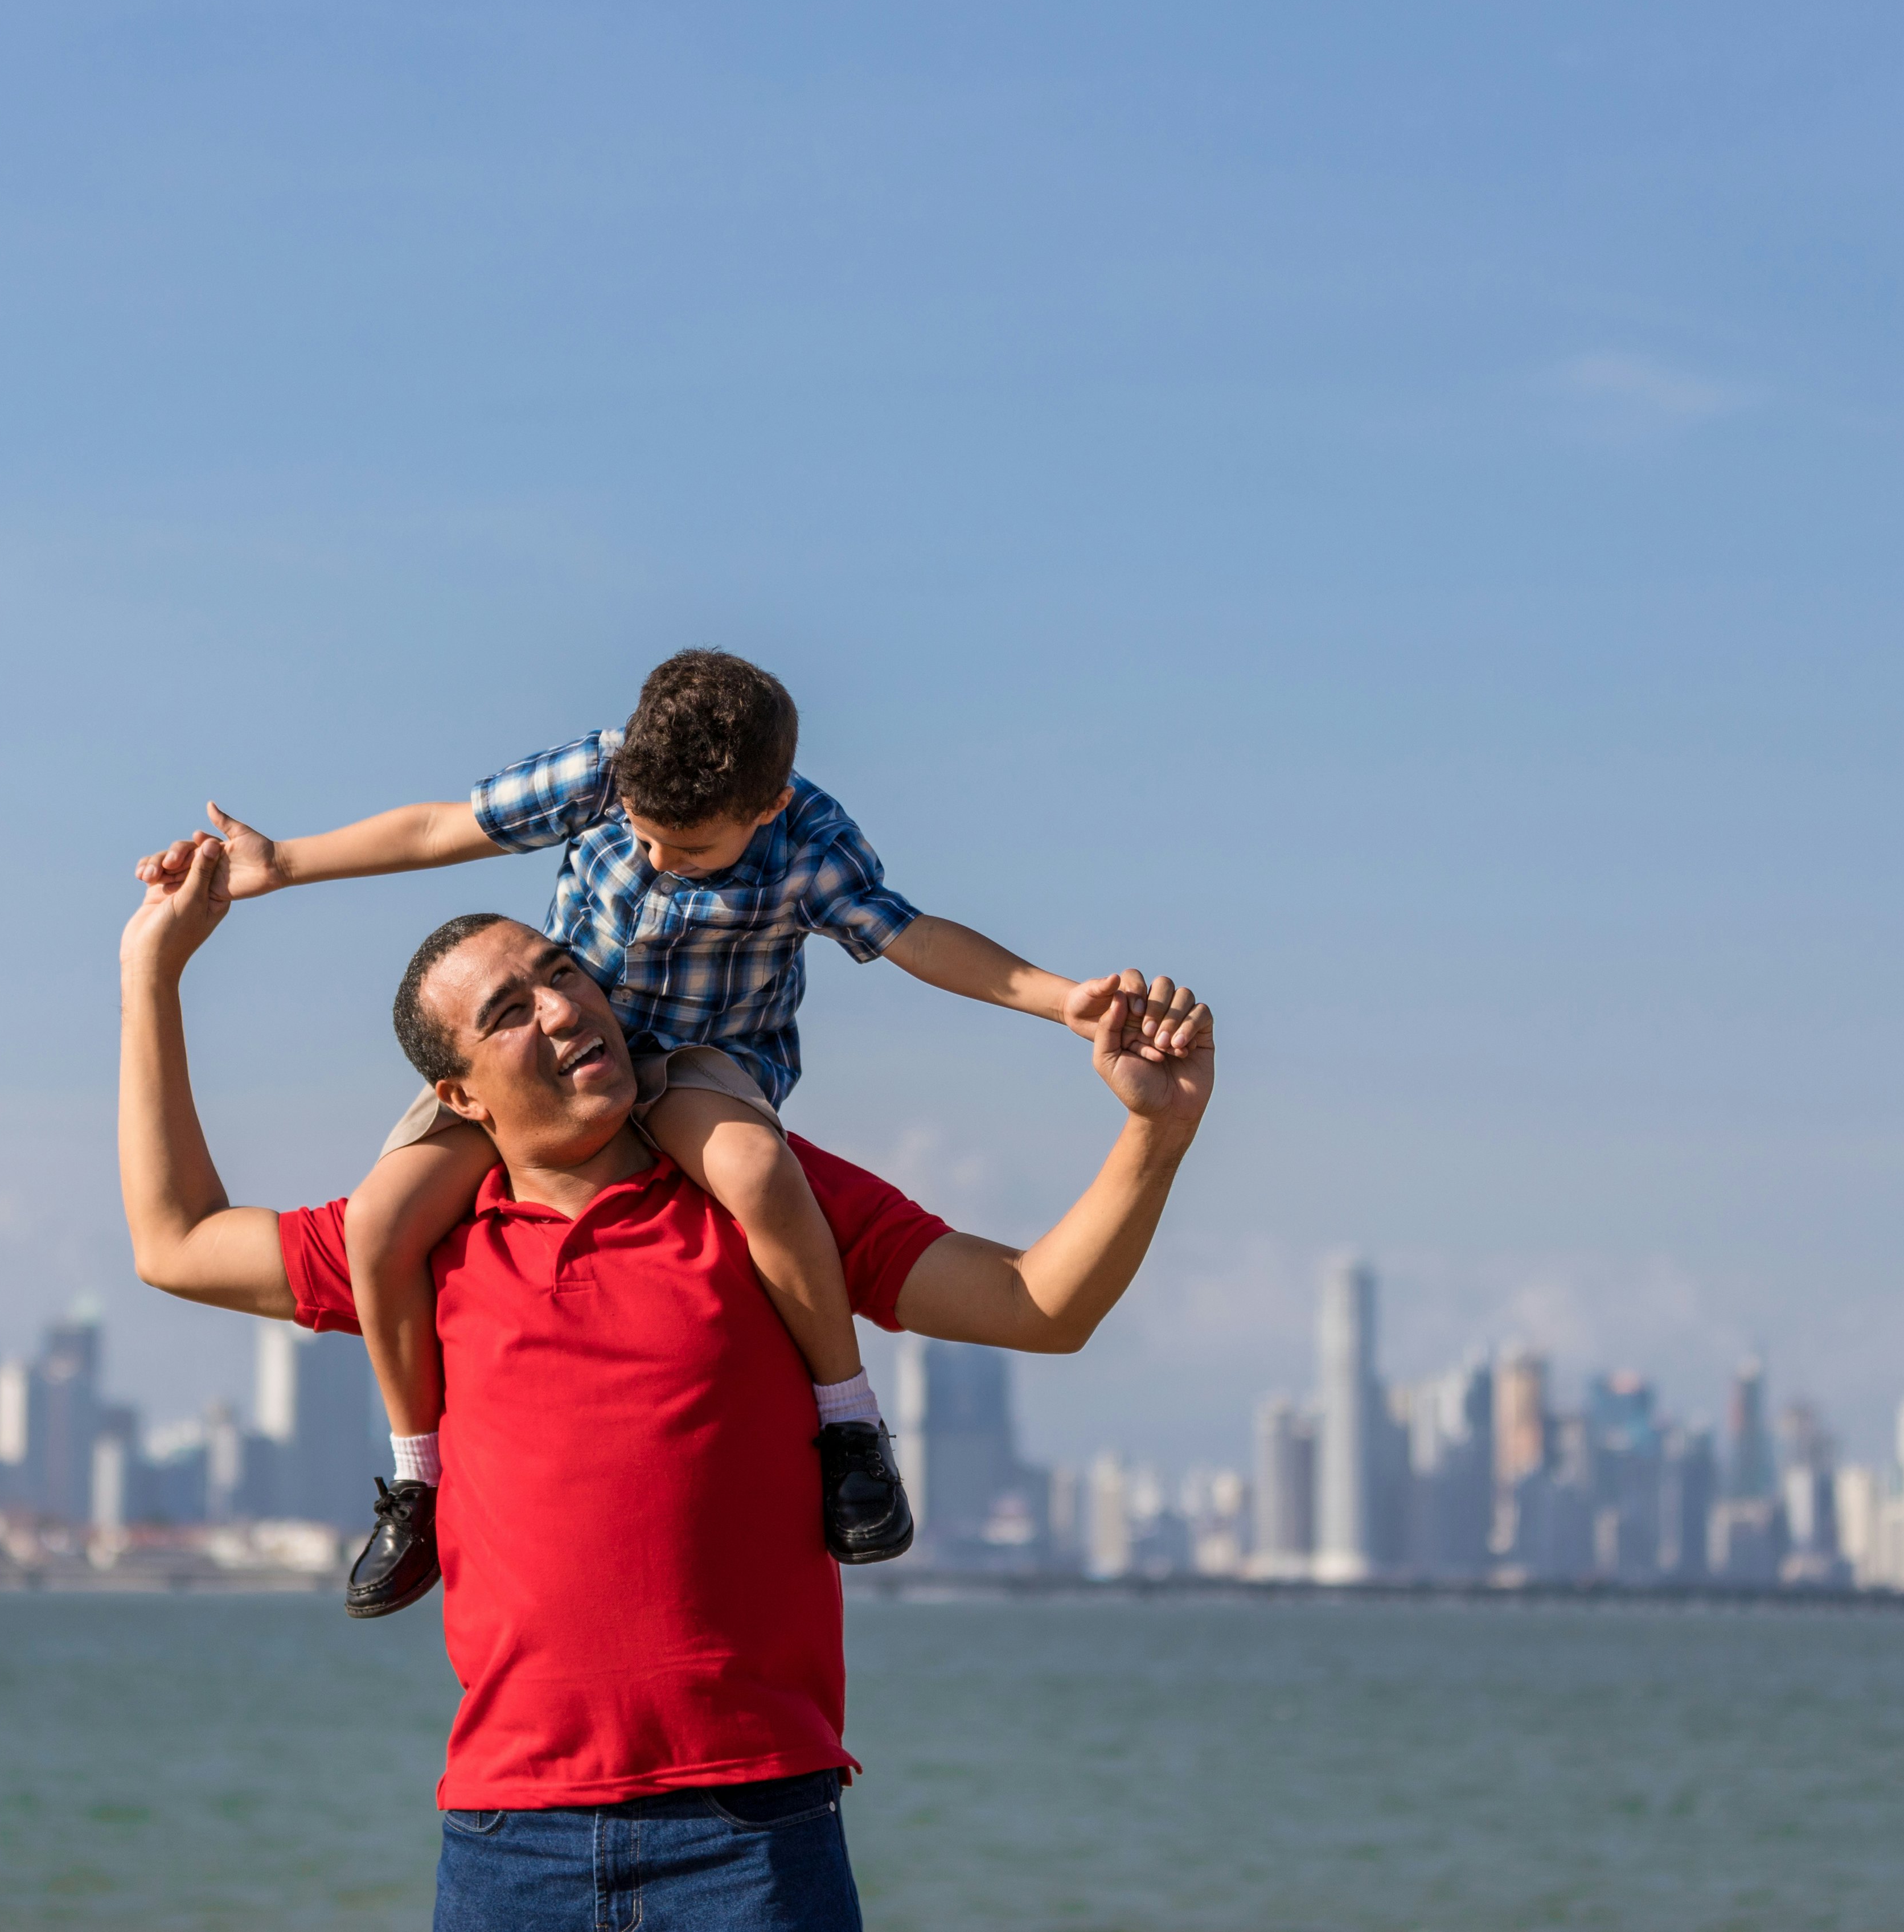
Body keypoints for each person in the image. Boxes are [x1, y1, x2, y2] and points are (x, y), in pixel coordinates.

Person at [116, 836, 1216, 1932]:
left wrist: (1154, 1132)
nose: (557, 1007)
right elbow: (176, 1241)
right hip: (510, 1839)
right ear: (459, 1096)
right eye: (508, 1011)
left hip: (751, 1835)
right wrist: (152, 973)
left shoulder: (762, 1196)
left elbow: (1038, 1305)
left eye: (561, 972)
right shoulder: (426, 1245)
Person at [135, 646, 1140, 1611]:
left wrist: (1067, 1004)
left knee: (753, 1170)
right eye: (645, 834)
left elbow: (917, 938)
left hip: (703, 1064)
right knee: (379, 1220)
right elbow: (445, 828)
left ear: (769, 807)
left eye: (690, 849)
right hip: (576, 1040)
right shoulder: (606, 773)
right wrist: (287, 860)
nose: (658, 858)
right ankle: (414, 1481)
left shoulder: (813, 848)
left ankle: (850, 1426)